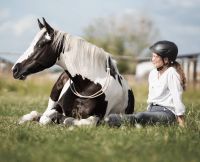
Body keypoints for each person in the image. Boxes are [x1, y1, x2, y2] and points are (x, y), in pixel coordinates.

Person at [105, 40, 186, 127]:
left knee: (141, 116)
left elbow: (177, 97)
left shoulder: (171, 73)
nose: (152, 59)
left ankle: (112, 120)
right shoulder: (153, 73)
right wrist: (148, 111)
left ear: (166, 60)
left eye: (156, 57)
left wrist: (181, 121)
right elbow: (152, 96)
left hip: (166, 113)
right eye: (152, 56)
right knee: (141, 115)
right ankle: (119, 121)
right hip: (151, 111)